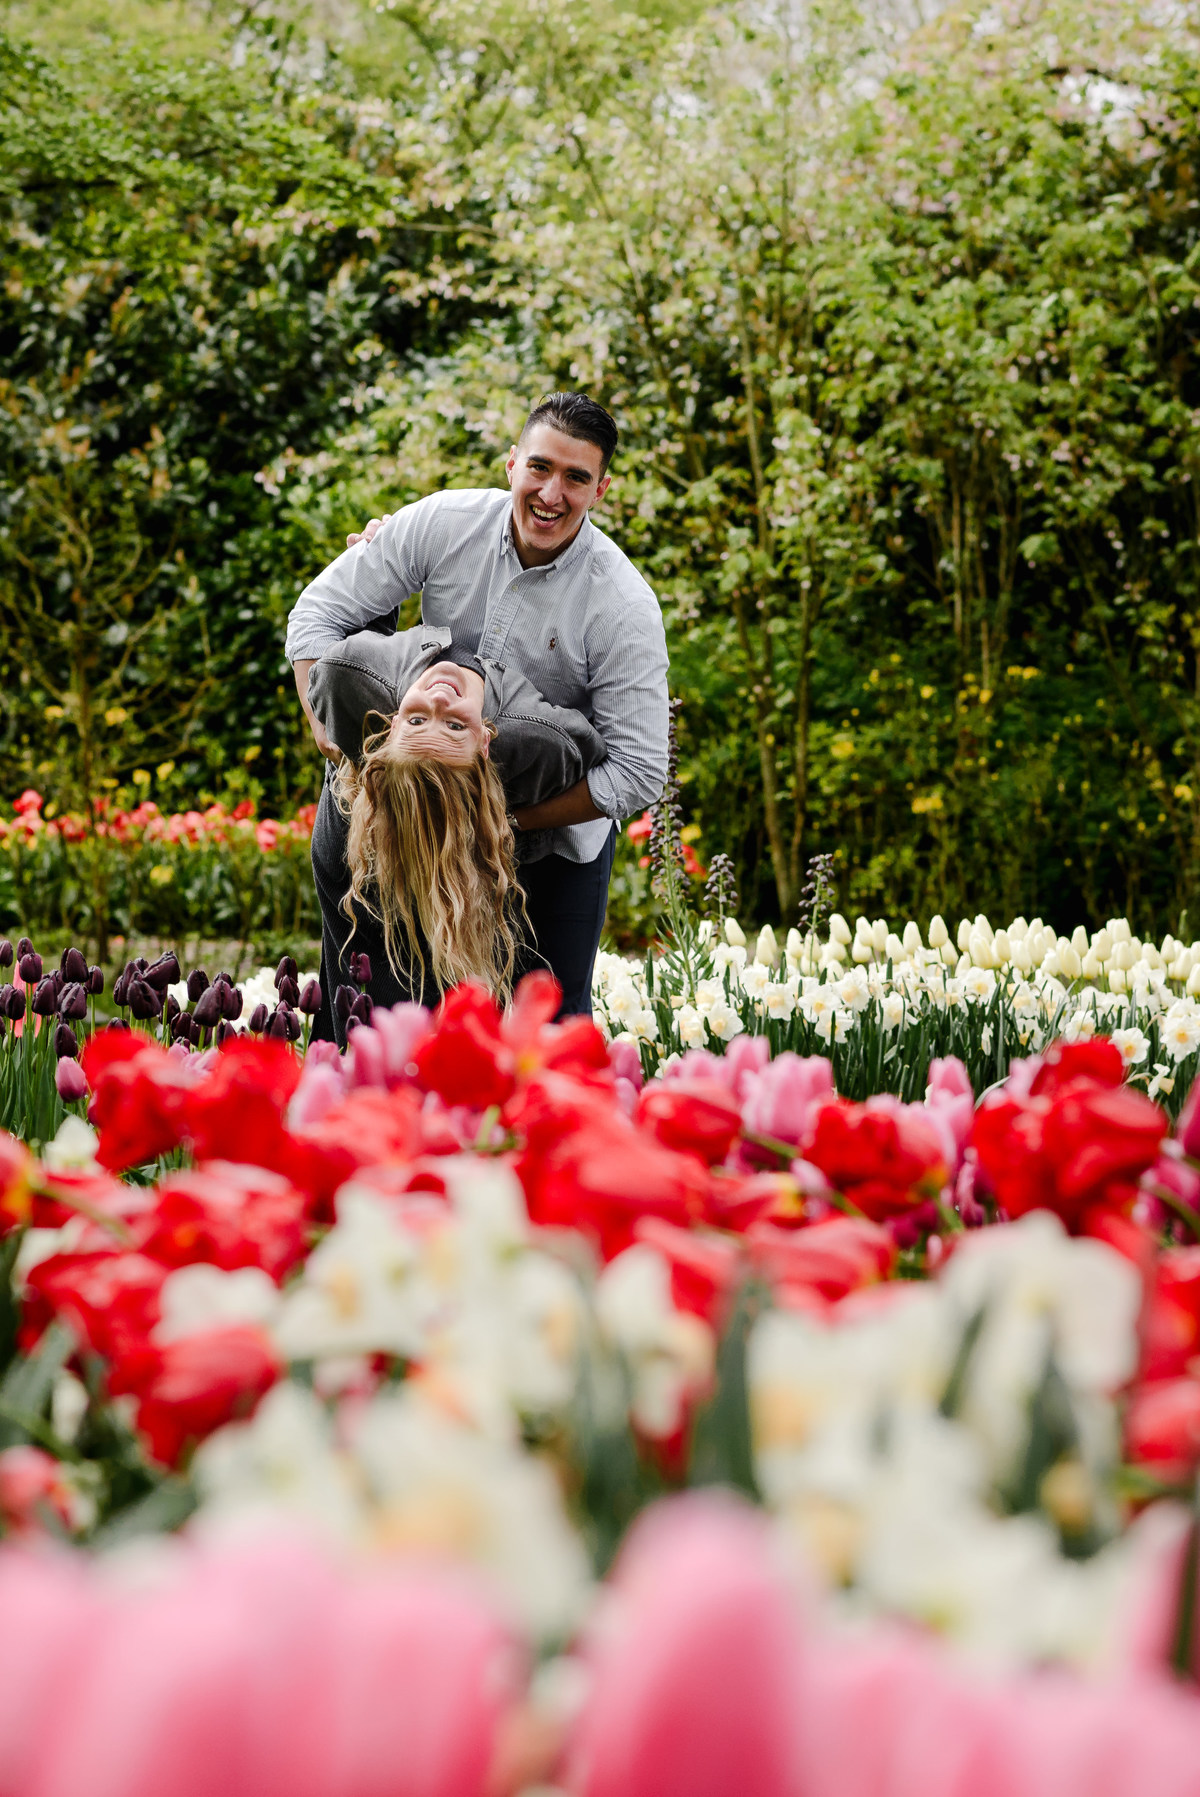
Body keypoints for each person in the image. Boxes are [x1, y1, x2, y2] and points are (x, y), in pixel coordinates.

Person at [285, 392, 669, 1016]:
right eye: (541, 467)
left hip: (542, 843)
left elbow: (638, 770)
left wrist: (494, 819)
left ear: (601, 490)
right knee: (367, 1009)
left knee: (543, 1028)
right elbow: (317, 616)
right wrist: (330, 735)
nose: (552, 493)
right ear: (512, 463)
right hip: (397, 810)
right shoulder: (442, 522)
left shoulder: (621, 606)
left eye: (576, 478)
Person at [304, 619, 606, 1043]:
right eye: (451, 725)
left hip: (447, 835)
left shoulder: (541, 744)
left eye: (422, 722)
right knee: (385, 1003)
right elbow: (585, 748)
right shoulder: (532, 742)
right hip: (380, 858)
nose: (441, 700)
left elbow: (591, 757)